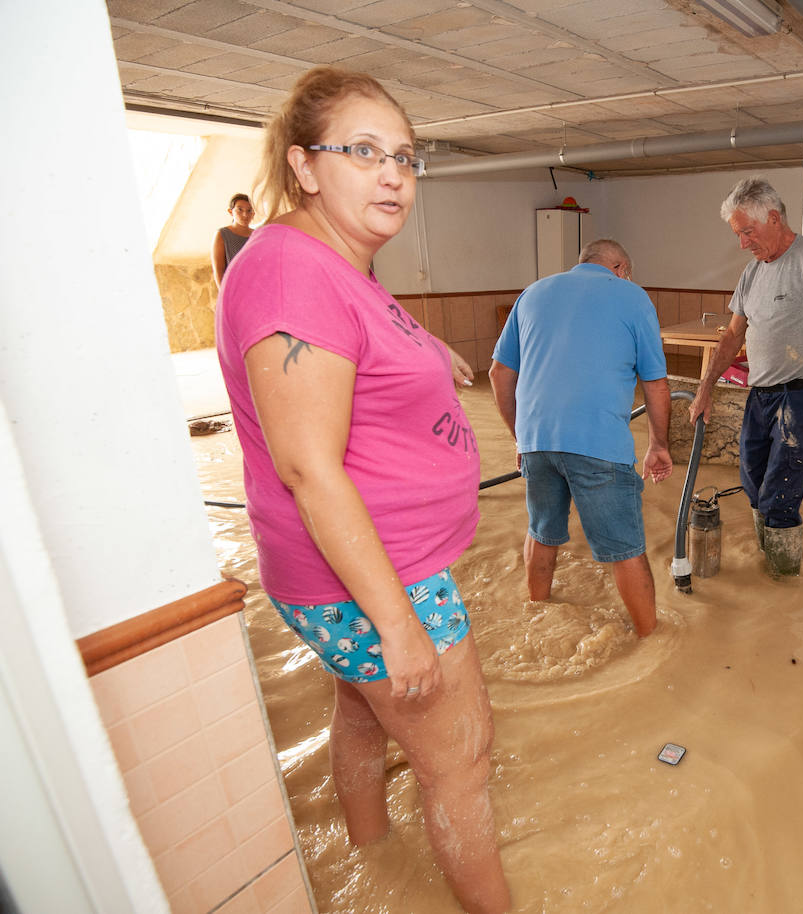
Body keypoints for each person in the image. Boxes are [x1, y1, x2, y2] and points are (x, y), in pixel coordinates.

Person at [214, 67, 510, 914]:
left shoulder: (325, 259)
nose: (393, 175)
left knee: (360, 711)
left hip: (357, 570)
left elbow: (351, 341)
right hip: (374, 577)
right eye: (365, 152)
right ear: (304, 166)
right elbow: (308, 469)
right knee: (461, 763)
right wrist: (398, 626)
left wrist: (426, 353)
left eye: (405, 158)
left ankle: (371, 860)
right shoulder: (290, 273)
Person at [688, 176, 803, 576]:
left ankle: (785, 585)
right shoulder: (753, 272)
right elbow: (732, 335)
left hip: (801, 395)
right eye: (738, 235)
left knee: (780, 494)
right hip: (761, 394)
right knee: (753, 482)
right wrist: (705, 389)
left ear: (773, 218)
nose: (743, 244)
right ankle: (769, 567)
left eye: (747, 232)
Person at [489, 239, 672, 637]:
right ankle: (651, 639)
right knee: (625, 549)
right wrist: (659, 445)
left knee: (542, 531)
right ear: (621, 268)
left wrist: (521, 438)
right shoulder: (632, 297)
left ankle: (536, 616)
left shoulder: (533, 293)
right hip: (599, 444)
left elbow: (499, 374)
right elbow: (656, 383)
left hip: (537, 440)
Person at [211, 192, 255, 288]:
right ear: (230, 211)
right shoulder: (222, 234)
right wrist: (224, 294)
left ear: (253, 213)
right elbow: (218, 270)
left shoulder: (257, 235)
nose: (245, 215)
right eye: (240, 210)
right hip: (233, 289)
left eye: (249, 210)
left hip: (254, 289)